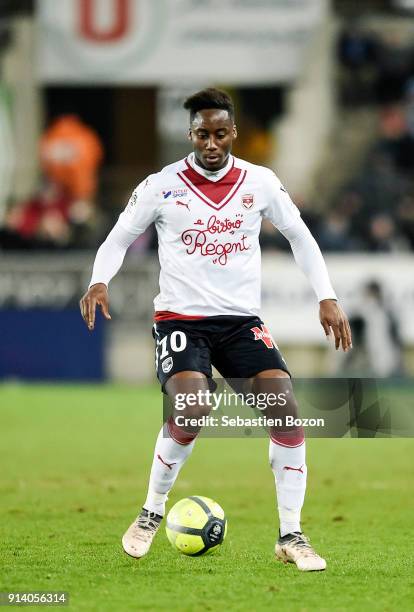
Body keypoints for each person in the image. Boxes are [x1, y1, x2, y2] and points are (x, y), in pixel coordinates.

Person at [80, 89, 352, 572]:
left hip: (240, 322)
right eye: (202, 133)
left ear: (233, 133)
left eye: (220, 132)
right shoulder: (162, 185)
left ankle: (291, 534)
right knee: (193, 406)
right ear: (191, 134)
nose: (211, 142)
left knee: (286, 411)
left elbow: (300, 237)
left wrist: (326, 295)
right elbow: (119, 237)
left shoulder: (260, 182)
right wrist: (99, 280)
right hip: (181, 320)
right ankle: (149, 513)